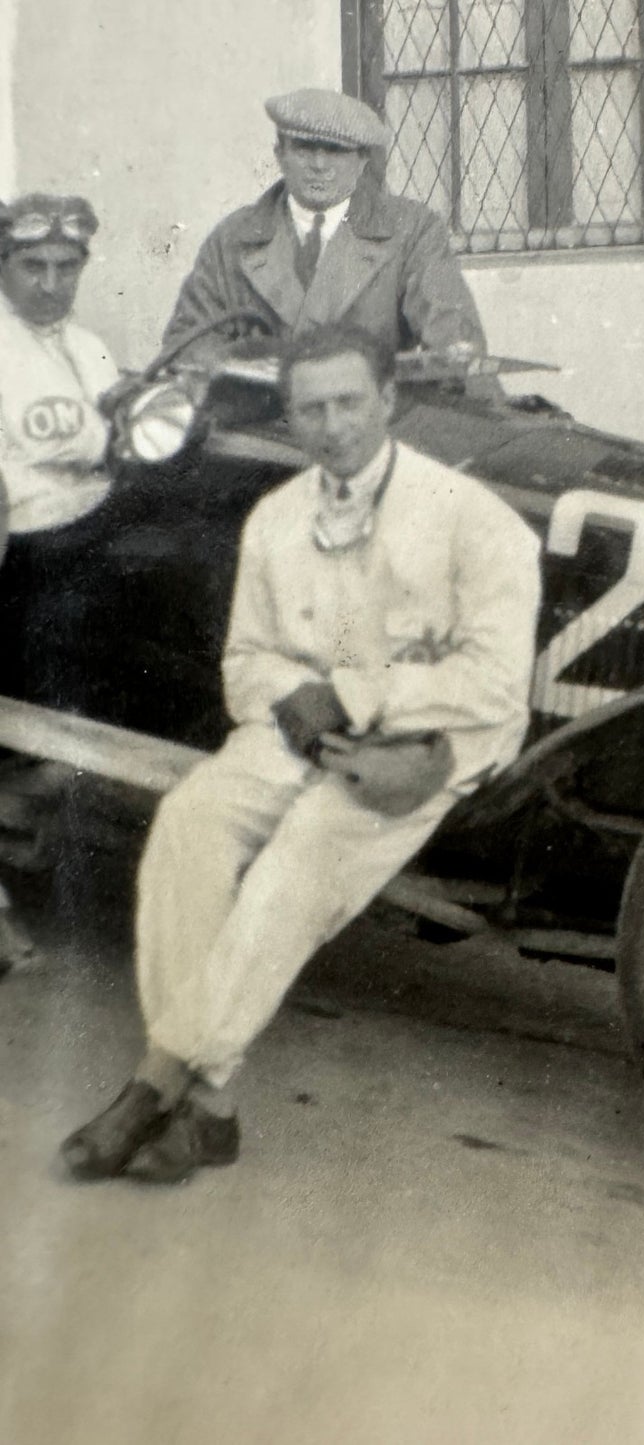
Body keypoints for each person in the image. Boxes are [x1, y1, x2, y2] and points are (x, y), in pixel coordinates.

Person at [59, 323, 540, 1184]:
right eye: (311, 408)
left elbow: (497, 685)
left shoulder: (473, 519)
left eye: (350, 401)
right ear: (290, 416)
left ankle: (159, 1080)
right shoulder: (278, 519)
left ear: (389, 400)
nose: (333, 425)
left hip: (428, 741)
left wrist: (357, 696)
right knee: (190, 820)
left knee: (304, 851)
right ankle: (213, 1111)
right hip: (307, 730)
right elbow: (244, 665)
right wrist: (303, 705)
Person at [160, 88, 485, 364]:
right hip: (263, 422)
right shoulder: (233, 237)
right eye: (304, 148)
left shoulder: (411, 230)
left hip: (368, 422)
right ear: (279, 154)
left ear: (362, 160)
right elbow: (186, 344)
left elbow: (454, 339)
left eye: (335, 151)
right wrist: (248, 368)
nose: (319, 165)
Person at [0, 193, 120, 535]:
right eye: (33, 266)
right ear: (2, 265)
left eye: (66, 267)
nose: (51, 286)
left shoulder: (89, 347)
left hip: (93, 532)